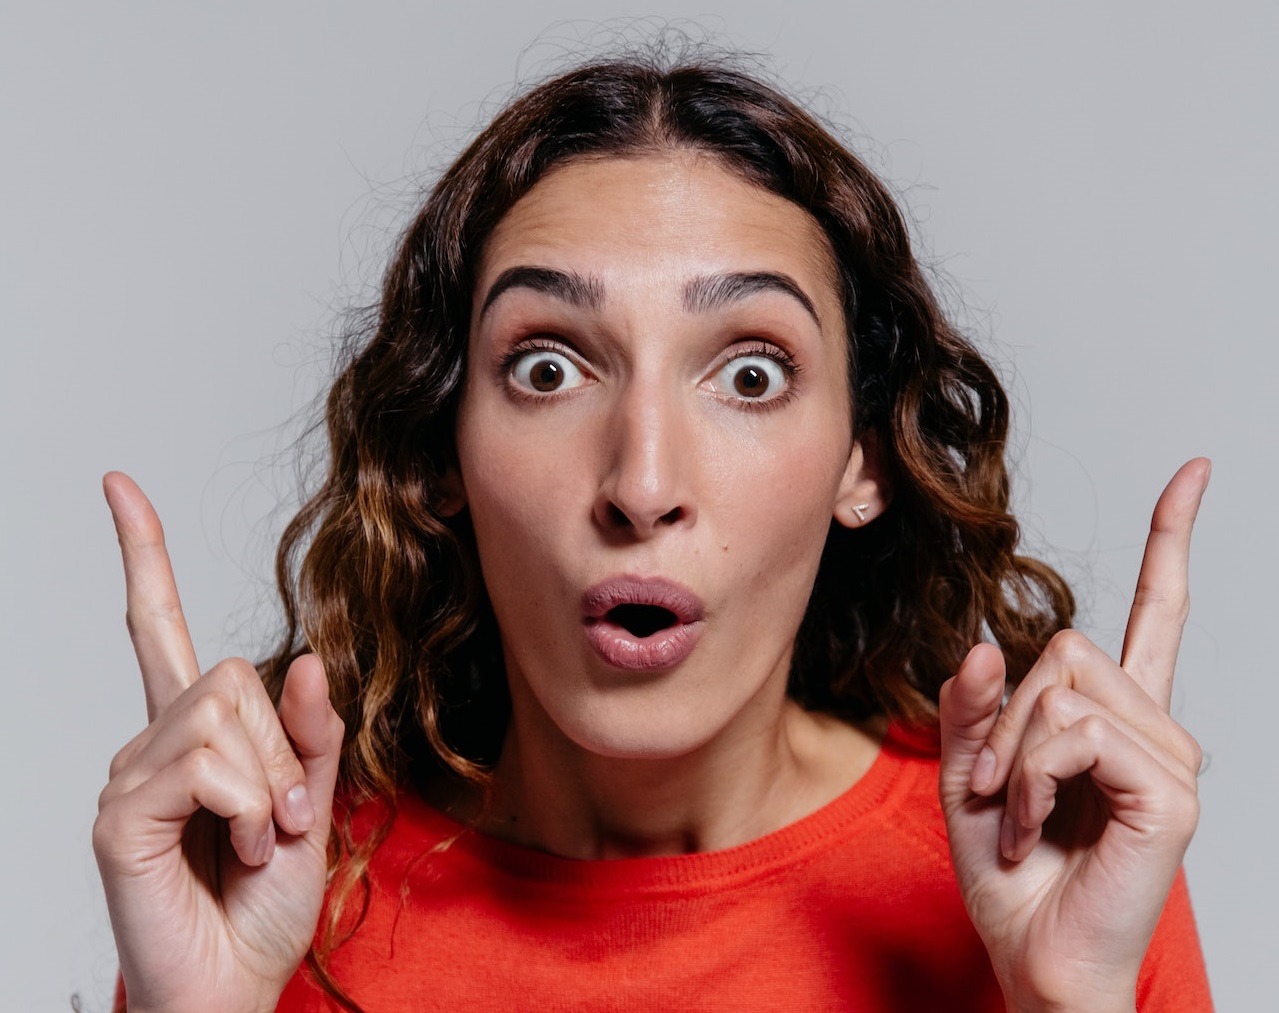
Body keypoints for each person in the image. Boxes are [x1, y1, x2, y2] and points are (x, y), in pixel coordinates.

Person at [93, 55, 1213, 1011]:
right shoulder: (271, 887)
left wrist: (1067, 1000)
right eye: (547, 368)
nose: (642, 481)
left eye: (749, 373)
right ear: (439, 453)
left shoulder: (1054, 852)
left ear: (863, 460)